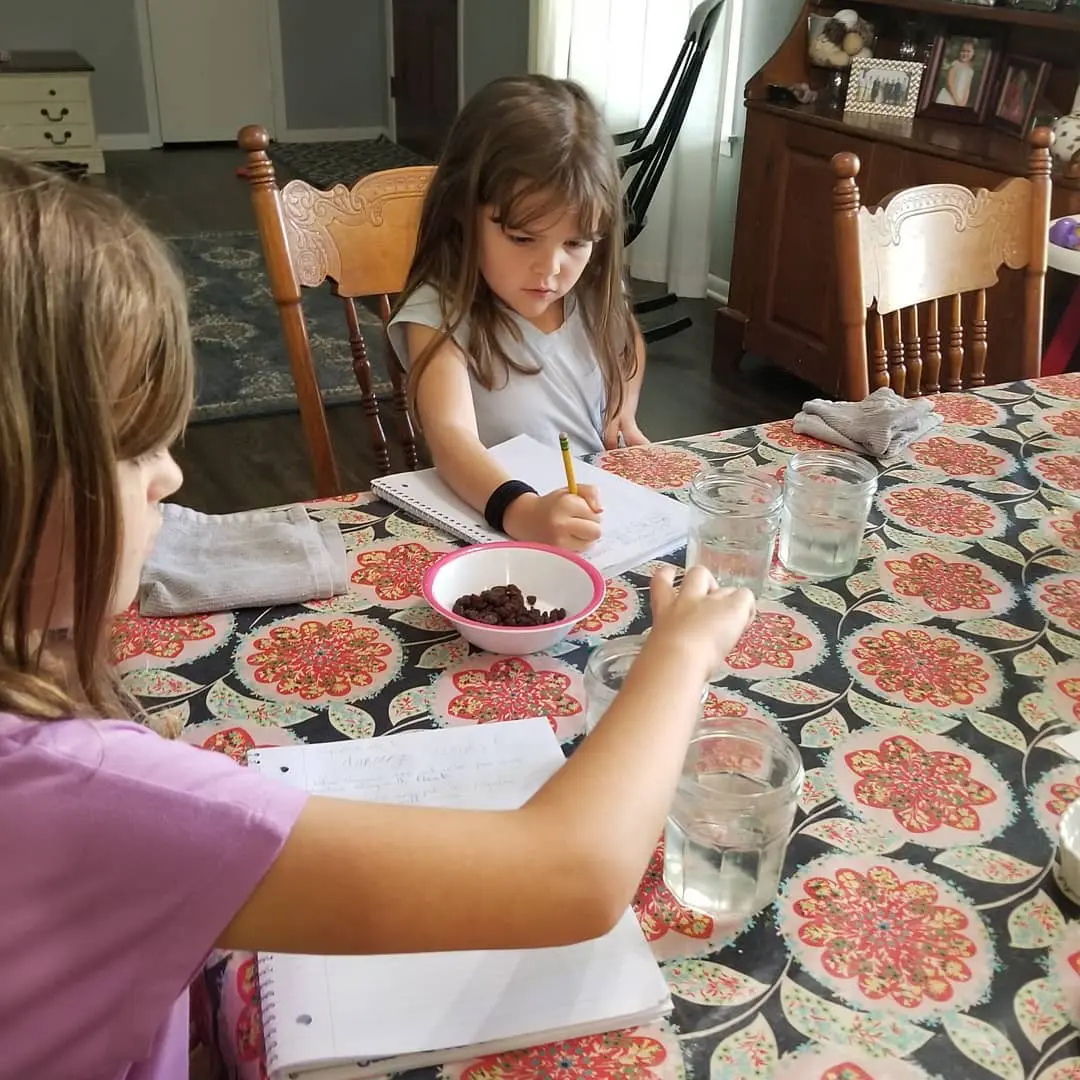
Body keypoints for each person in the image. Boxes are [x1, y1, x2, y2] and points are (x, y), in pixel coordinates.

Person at [0, 154, 756, 1079]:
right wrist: (676, 655)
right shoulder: (78, 795)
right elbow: (572, 875)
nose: (173, 475)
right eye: (132, 447)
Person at [387, 75, 648, 556]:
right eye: (523, 238)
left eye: (575, 243)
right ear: (466, 211)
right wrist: (523, 511)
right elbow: (451, 437)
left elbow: (628, 340)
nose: (550, 269)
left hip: (592, 524)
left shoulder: (589, 290)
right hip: (493, 535)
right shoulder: (439, 313)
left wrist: (621, 411)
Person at [936, 39, 977, 108]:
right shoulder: (955, 64)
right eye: (963, 51)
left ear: (973, 53)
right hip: (949, 96)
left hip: (959, 99)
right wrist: (956, 100)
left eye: (968, 52)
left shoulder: (970, 70)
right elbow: (950, 84)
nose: (965, 54)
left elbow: (967, 88)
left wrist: (963, 102)